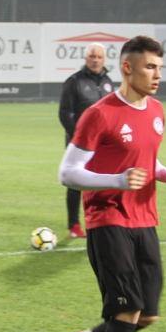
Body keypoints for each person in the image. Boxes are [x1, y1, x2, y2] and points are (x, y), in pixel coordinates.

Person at [57, 35, 166, 332]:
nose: (157, 75)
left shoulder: (157, 110)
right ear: (127, 68)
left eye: (160, 68)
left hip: (145, 219)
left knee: (146, 314)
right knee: (128, 308)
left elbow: (145, 157)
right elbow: (68, 172)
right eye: (150, 67)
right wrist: (116, 181)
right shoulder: (99, 114)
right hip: (107, 219)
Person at [58, 43, 115, 239]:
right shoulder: (74, 82)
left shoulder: (108, 82)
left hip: (103, 143)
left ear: (104, 59)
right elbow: (64, 113)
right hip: (79, 143)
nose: (95, 60)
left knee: (103, 181)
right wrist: (78, 137)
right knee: (75, 183)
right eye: (92, 56)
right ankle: (74, 225)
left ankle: (102, 221)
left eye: (99, 57)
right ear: (86, 58)